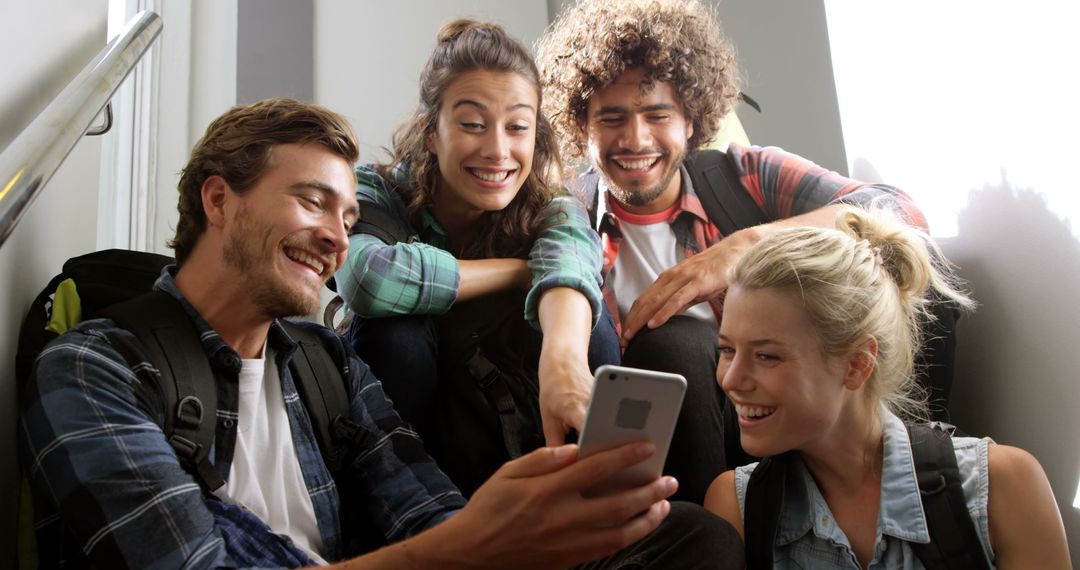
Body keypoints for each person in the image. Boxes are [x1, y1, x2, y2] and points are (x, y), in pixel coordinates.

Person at [18, 98, 744, 568]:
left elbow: (426, 513)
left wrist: (532, 523)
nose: (337, 239)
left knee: (693, 538)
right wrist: (475, 541)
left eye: (349, 220)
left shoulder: (325, 362)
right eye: (312, 202)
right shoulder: (93, 365)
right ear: (219, 200)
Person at [536, 0, 929, 500]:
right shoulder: (570, 217)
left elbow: (901, 211)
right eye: (611, 118)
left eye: (658, 114)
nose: (636, 138)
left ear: (691, 120)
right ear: (579, 125)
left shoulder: (744, 178)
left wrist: (745, 247)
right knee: (668, 346)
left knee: (680, 341)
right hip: (655, 459)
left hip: (777, 425)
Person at [332, 20, 620, 495]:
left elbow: (571, 265)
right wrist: (521, 272)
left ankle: (595, 497)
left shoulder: (553, 208)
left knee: (584, 314)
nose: (497, 150)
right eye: (472, 125)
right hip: (418, 447)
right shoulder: (375, 190)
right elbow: (368, 280)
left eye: (517, 128)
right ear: (431, 132)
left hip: (517, 422)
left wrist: (563, 360)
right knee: (395, 329)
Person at [703, 206, 1070, 568]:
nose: (732, 380)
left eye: (766, 356)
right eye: (727, 350)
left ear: (858, 364)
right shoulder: (735, 507)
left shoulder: (1004, 488)